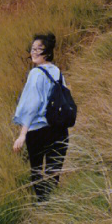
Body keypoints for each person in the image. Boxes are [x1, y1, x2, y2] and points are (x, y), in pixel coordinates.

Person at [12, 32, 69, 201]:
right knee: (53, 174)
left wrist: (22, 134)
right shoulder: (57, 72)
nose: (35, 52)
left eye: (39, 49)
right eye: (33, 49)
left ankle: (42, 206)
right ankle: (52, 209)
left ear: (48, 52)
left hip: (39, 132)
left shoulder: (36, 73)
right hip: (59, 130)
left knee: (37, 172)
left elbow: (32, 106)